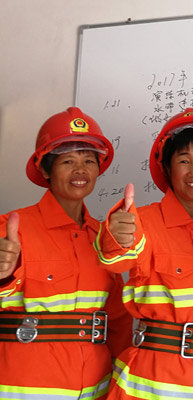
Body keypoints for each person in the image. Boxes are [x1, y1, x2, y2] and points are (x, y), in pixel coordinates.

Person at [94, 108, 193, 399]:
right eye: (184, 160)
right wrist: (116, 236)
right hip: (154, 380)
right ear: (168, 168)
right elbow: (118, 257)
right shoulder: (142, 221)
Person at [0, 107, 131, 399]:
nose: (80, 170)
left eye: (88, 160)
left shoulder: (102, 238)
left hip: (92, 388)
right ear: (45, 169)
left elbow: (118, 321)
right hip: (25, 388)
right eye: (68, 161)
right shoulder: (12, 229)